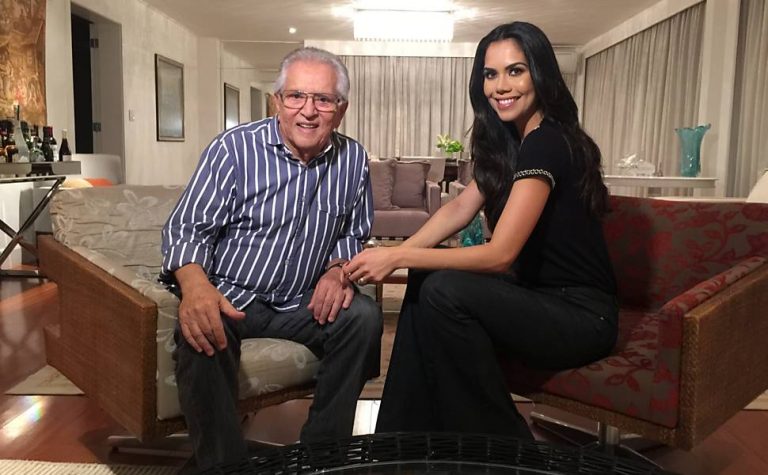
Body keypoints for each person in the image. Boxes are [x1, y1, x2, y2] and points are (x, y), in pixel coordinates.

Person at [344, 22, 618, 439]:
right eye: (491, 74)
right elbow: (459, 208)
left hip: (581, 316)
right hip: (537, 298)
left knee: (443, 289)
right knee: (427, 276)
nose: (500, 86)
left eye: (515, 71)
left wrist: (397, 255)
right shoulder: (513, 144)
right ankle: (400, 443)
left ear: (540, 74)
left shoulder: (547, 141)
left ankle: (508, 449)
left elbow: (500, 255)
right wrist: (391, 256)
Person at [161, 47, 382, 471]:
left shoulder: (353, 159)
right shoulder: (233, 149)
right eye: (296, 96)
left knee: (364, 318)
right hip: (229, 295)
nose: (308, 111)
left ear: (341, 109)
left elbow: (354, 232)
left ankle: (321, 458)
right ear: (277, 101)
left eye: (323, 99)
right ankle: (224, 466)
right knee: (201, 326)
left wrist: (338, 270)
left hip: (301, 302)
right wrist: (196, 287)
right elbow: (187, 228)